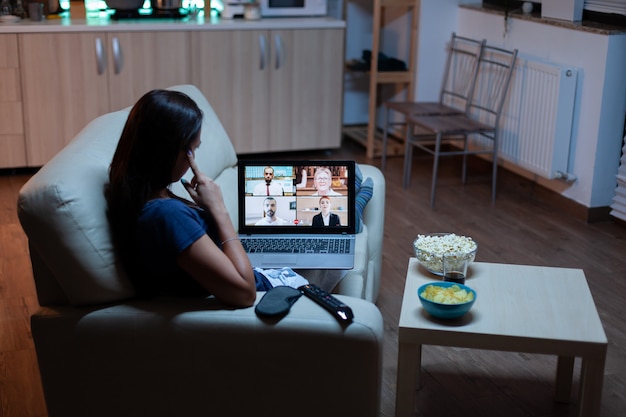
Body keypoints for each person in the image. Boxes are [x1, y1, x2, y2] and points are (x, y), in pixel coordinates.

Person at [105, 89, 305, 308]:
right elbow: (244, 293)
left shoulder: (146, 196)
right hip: (269, 288)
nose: (194, 157)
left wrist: (206, 209)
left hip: (257, 268)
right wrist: (219, 211)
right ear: (174, 152)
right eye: (193, 149)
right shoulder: (167, 216)